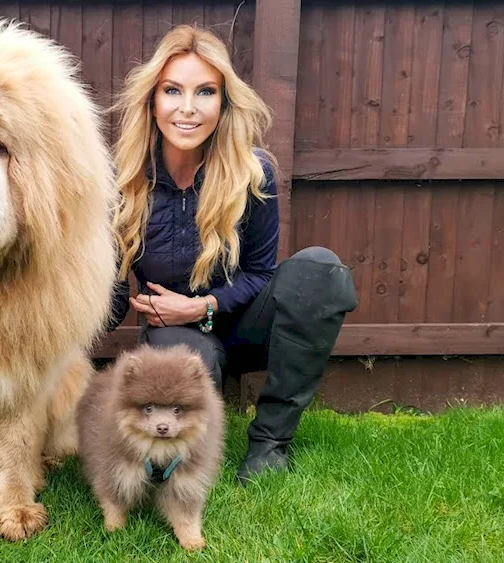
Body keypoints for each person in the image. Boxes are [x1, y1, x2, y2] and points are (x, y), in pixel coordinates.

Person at [105, 24, 358, 484]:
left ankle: (270, 443)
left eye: (205, 92)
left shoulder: (251, 172)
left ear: (223, 103)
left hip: (243, 326)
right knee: (170, 469)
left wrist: (202, 306)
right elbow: (116, 295)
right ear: (152, 100)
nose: (187, 108)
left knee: (320, 270)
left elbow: (261, 272)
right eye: (172, 91)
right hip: (176, 341)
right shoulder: (123, 184)